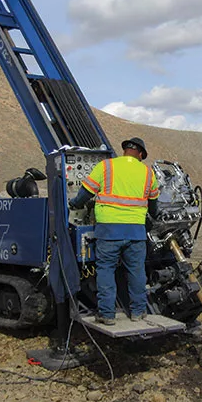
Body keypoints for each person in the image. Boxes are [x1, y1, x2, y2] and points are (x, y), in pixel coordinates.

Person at [68, 137, 160, 325]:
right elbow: (154, 206)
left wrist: (75, 204)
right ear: (140, 154)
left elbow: (85, 192)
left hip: (109, 230)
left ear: (125, 150)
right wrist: (152, 216)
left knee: (106, 270)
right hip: (136, 232)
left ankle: (107, 314)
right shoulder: (148, 173)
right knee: (136, 271)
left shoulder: (106, 166)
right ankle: (138, 312)